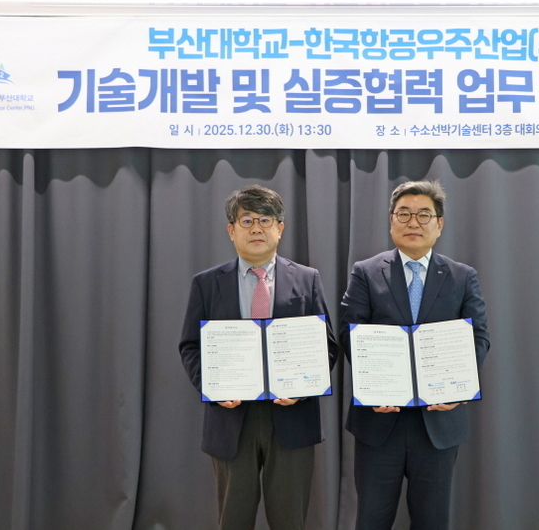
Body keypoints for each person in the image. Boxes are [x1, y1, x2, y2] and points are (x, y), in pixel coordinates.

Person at [179, 184, 338, 530]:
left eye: (265, 220)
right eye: (246, 220)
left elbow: (326, 345)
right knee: (233, 520)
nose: (256, 228)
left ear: (280, 229)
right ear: (231, 230)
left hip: (292, 416)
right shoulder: (207, 283)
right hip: (231, 419)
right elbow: (190, 346)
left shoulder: (307, 279)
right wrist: (214, 388)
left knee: (290, 521)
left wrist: (303, 386)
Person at [340, 180, 490, 530]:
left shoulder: (462, 276)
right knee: (371, 520)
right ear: (391, 221)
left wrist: (457, 388)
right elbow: (350, 334)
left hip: (438, 422)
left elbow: (478, 337)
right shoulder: (366, 272)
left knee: (432, 521)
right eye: (404, 214)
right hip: (379, 421)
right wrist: (373, 386)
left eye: (424, 215)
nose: (413, 222)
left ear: (439, 224)